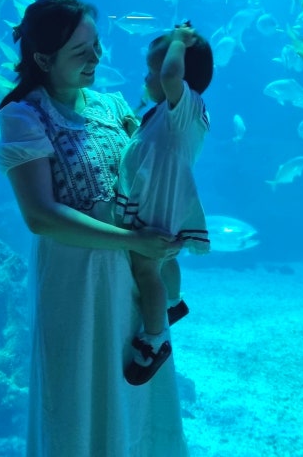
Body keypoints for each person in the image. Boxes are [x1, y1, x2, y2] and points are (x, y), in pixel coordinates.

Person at [0, 0, 188, 457]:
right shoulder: (23, 116)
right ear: (44, 59)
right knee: (77, 392)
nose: (96, 58)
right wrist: (134, 239)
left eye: (96, 45)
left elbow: (150, 164)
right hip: (76, 282)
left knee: (138, 395)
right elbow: (41, 216)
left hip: (135, 275)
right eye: (81, 52)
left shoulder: (112, 106)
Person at [116, 22, 213, 386]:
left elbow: (172, 74)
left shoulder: (186, 105)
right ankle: (173, 303)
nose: (147, 77)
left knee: (146, 268)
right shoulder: (169, 112)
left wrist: (179, 41)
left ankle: (155, 340)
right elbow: (153, 147)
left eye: (152, 70)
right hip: (164, 199)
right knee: (167, 258)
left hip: (158, 202)